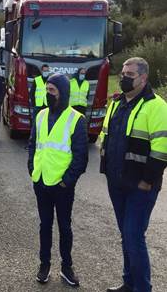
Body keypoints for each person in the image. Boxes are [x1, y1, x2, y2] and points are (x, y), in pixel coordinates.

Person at [100, 58, 167, 292]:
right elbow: (106, 136)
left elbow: (162, 150)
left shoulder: (156, 106)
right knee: (126, 236)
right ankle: (129, 283)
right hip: (117, 181)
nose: (124, 77)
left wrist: (147, 181)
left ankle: (142, 288)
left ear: (143, 78)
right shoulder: (118, 103)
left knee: (134, 237)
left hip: (141, 186)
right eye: (123, 73)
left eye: (130, 74)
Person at [27, 73, 88, 287]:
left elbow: (81, 157)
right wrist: (31, 168)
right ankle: (44, 264)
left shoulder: (76, 119)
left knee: (64, 226)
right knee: (45, 225)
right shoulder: (41, 115)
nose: (47, 94)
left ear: (62, 93)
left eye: (52, 90)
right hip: (41, 182)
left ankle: (66, 267)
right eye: (47, 90)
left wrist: (66, 181)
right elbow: (33, 143)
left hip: (62, 186)